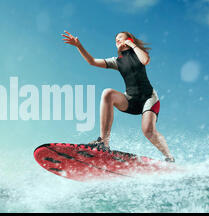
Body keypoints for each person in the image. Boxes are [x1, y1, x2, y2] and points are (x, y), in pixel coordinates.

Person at [61, 30, 175, 162]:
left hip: (148, 99)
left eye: (121, 38)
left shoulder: (138, 53)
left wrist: (132, 45)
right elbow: (92, 61)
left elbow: (145, 60)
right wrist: (78, 45)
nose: (118, 41)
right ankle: (103, 143)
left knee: (148, 131)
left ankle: (169, 157)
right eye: (116, 41)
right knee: (108, 93)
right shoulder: (116, 61)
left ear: (129, 40)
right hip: (130, 100)